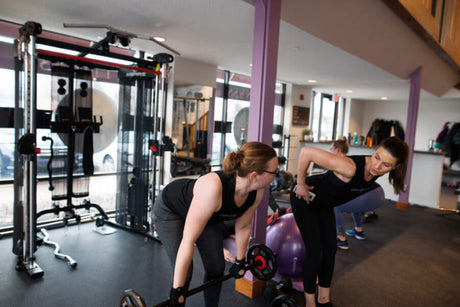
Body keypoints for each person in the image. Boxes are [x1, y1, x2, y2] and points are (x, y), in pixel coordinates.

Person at [153, 141, 278, 307]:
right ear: (254, 175)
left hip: (208, 216)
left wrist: (240, 260)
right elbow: (188, 240)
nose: (277, 174)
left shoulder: (257, 191)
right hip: (171, 210)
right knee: (185, 274)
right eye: (274, 171)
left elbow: (243, 225)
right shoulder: (213, 187)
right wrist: (178, 290)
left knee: (216, 269)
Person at [291, 136, 409, 307]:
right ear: (374, 151)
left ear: (396, 166)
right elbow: (306, 152)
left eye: (386, 165)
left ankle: (324, 300)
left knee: (330, 249)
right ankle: (310, 303)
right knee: (315, 251)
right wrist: (300, 184)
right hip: (306, 198)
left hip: (324, 203)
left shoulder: (374, 171)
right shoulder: (349, 168)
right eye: (377, 157)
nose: (377, 166)